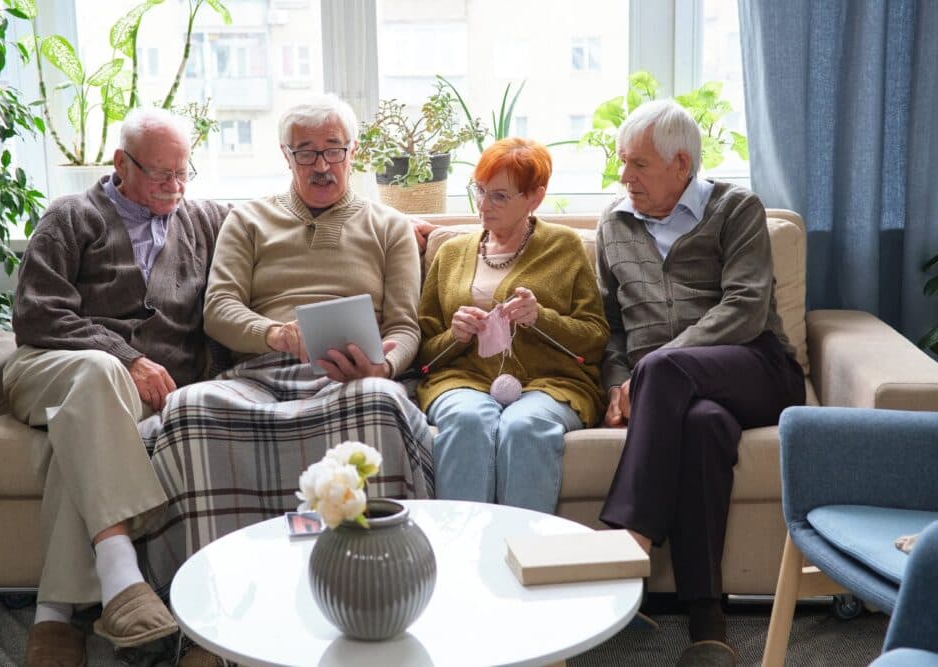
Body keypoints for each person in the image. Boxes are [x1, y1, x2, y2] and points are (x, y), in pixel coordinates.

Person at [140, 94, 433, 595]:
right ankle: (215, 600)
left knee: (381, 402)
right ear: (285, 155)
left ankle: (377, 585)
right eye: (306, 152)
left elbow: (406, 327)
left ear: (353, 151)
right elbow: (220, 309)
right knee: (190, 406)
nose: (321, 165)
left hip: (350, 378)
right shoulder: (249, 220)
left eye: (333, 150)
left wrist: (383, 367)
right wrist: (273, 332)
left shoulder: (388, 227)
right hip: (260, 374)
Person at [5, 107, 228, 667]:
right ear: (120, 164)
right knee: (98, 374)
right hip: (48, 369)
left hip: (107, 402)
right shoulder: (71, 216)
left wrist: (394, 223)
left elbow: (284, 219)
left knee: (78, 434)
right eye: (160, 175)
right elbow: (37, 315)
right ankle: (119, 571)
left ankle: (54, 615)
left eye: (184, 173)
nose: (175, 187)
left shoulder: (203, 219)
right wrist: (128, 357)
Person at [595, 100, 806, 666]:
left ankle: (629, 540)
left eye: (637, 164)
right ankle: (707, 622)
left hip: (757, 370)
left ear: (681, 163)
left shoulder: (735, 208)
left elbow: (744, 308)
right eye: (622, 162)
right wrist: (621, 381)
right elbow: (612, 329)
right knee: (702, 425)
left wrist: (651, 368)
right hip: (680, 395)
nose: (624, 177)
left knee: (662, 369)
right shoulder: (613, 226)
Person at [416, 137, 608, 513]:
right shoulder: (451, 251)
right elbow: (423, 351)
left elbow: (596, 339)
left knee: (525, 426)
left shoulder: (564, 246)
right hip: (462, 380)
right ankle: (461, 551)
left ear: (534, 197)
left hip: (551, 384)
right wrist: (454, 336)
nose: (483, 205)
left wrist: (542, 318)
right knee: (469, 420)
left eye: (499, 196)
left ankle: (526, 555)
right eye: (480, 191)